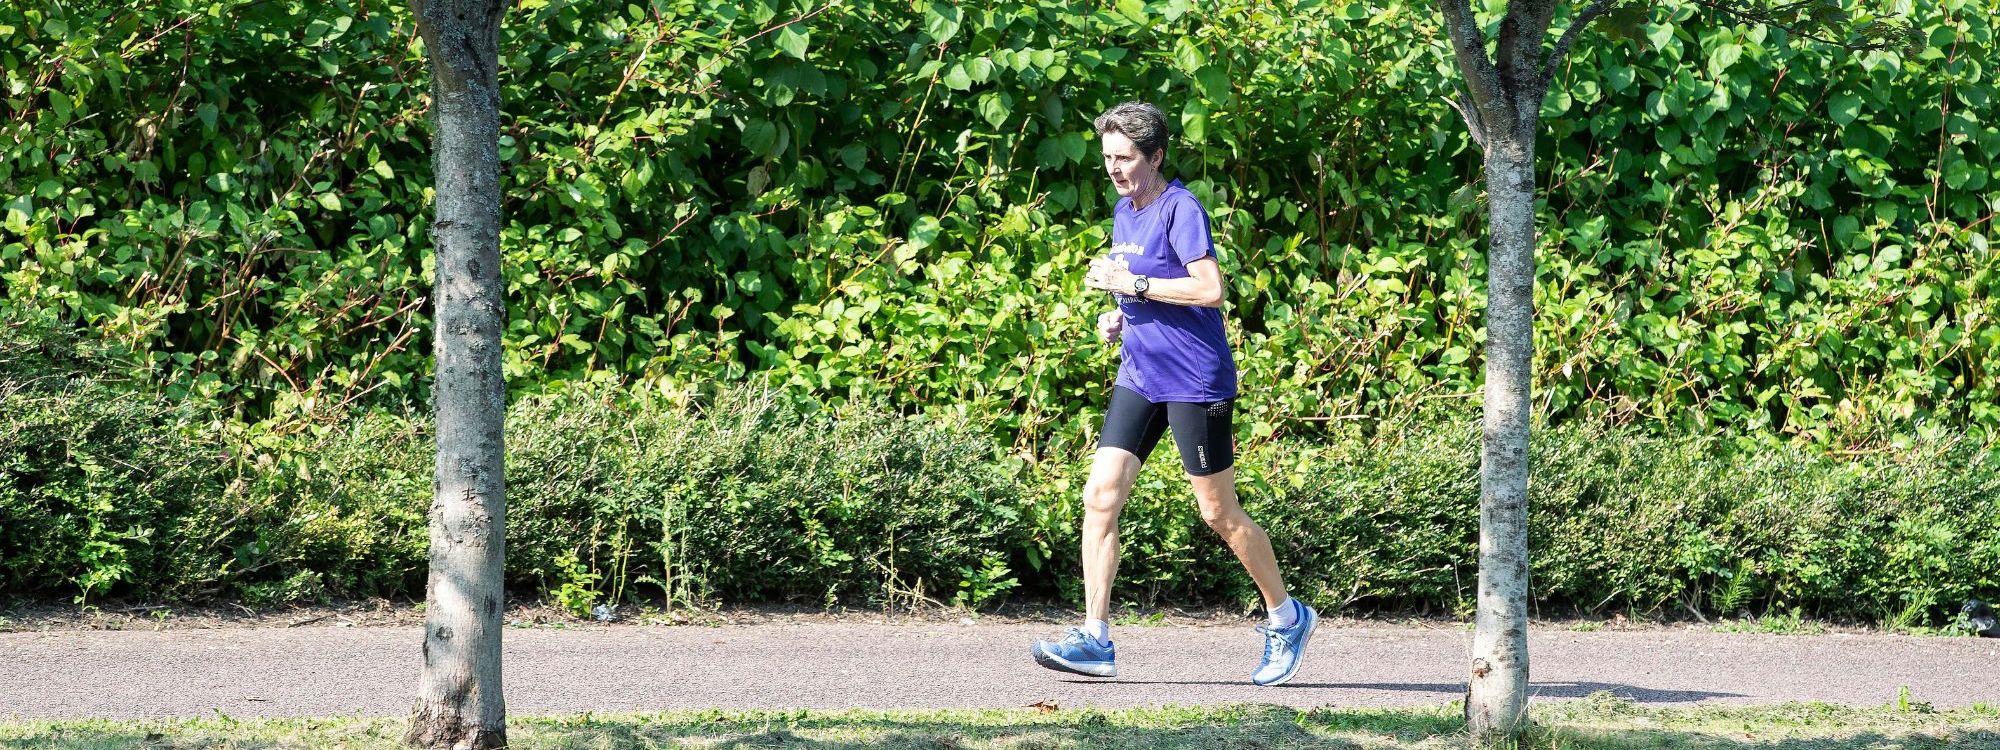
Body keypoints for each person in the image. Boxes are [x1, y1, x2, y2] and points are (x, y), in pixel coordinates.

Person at [1030, 101, 1317, 686]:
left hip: (1194, 380)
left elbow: (1208, 288)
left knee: (1218, 512)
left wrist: (1133, 284)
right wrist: (1119, 314)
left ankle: (1287, 618)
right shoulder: (1123, 209)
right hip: (1140, 374)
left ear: (1155, 156)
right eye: (1108, 157)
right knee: (1100, 498)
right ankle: (1095, 638)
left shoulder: (1180, 208)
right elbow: (1137, 289)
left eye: (1126, 157)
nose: (1114, 168)